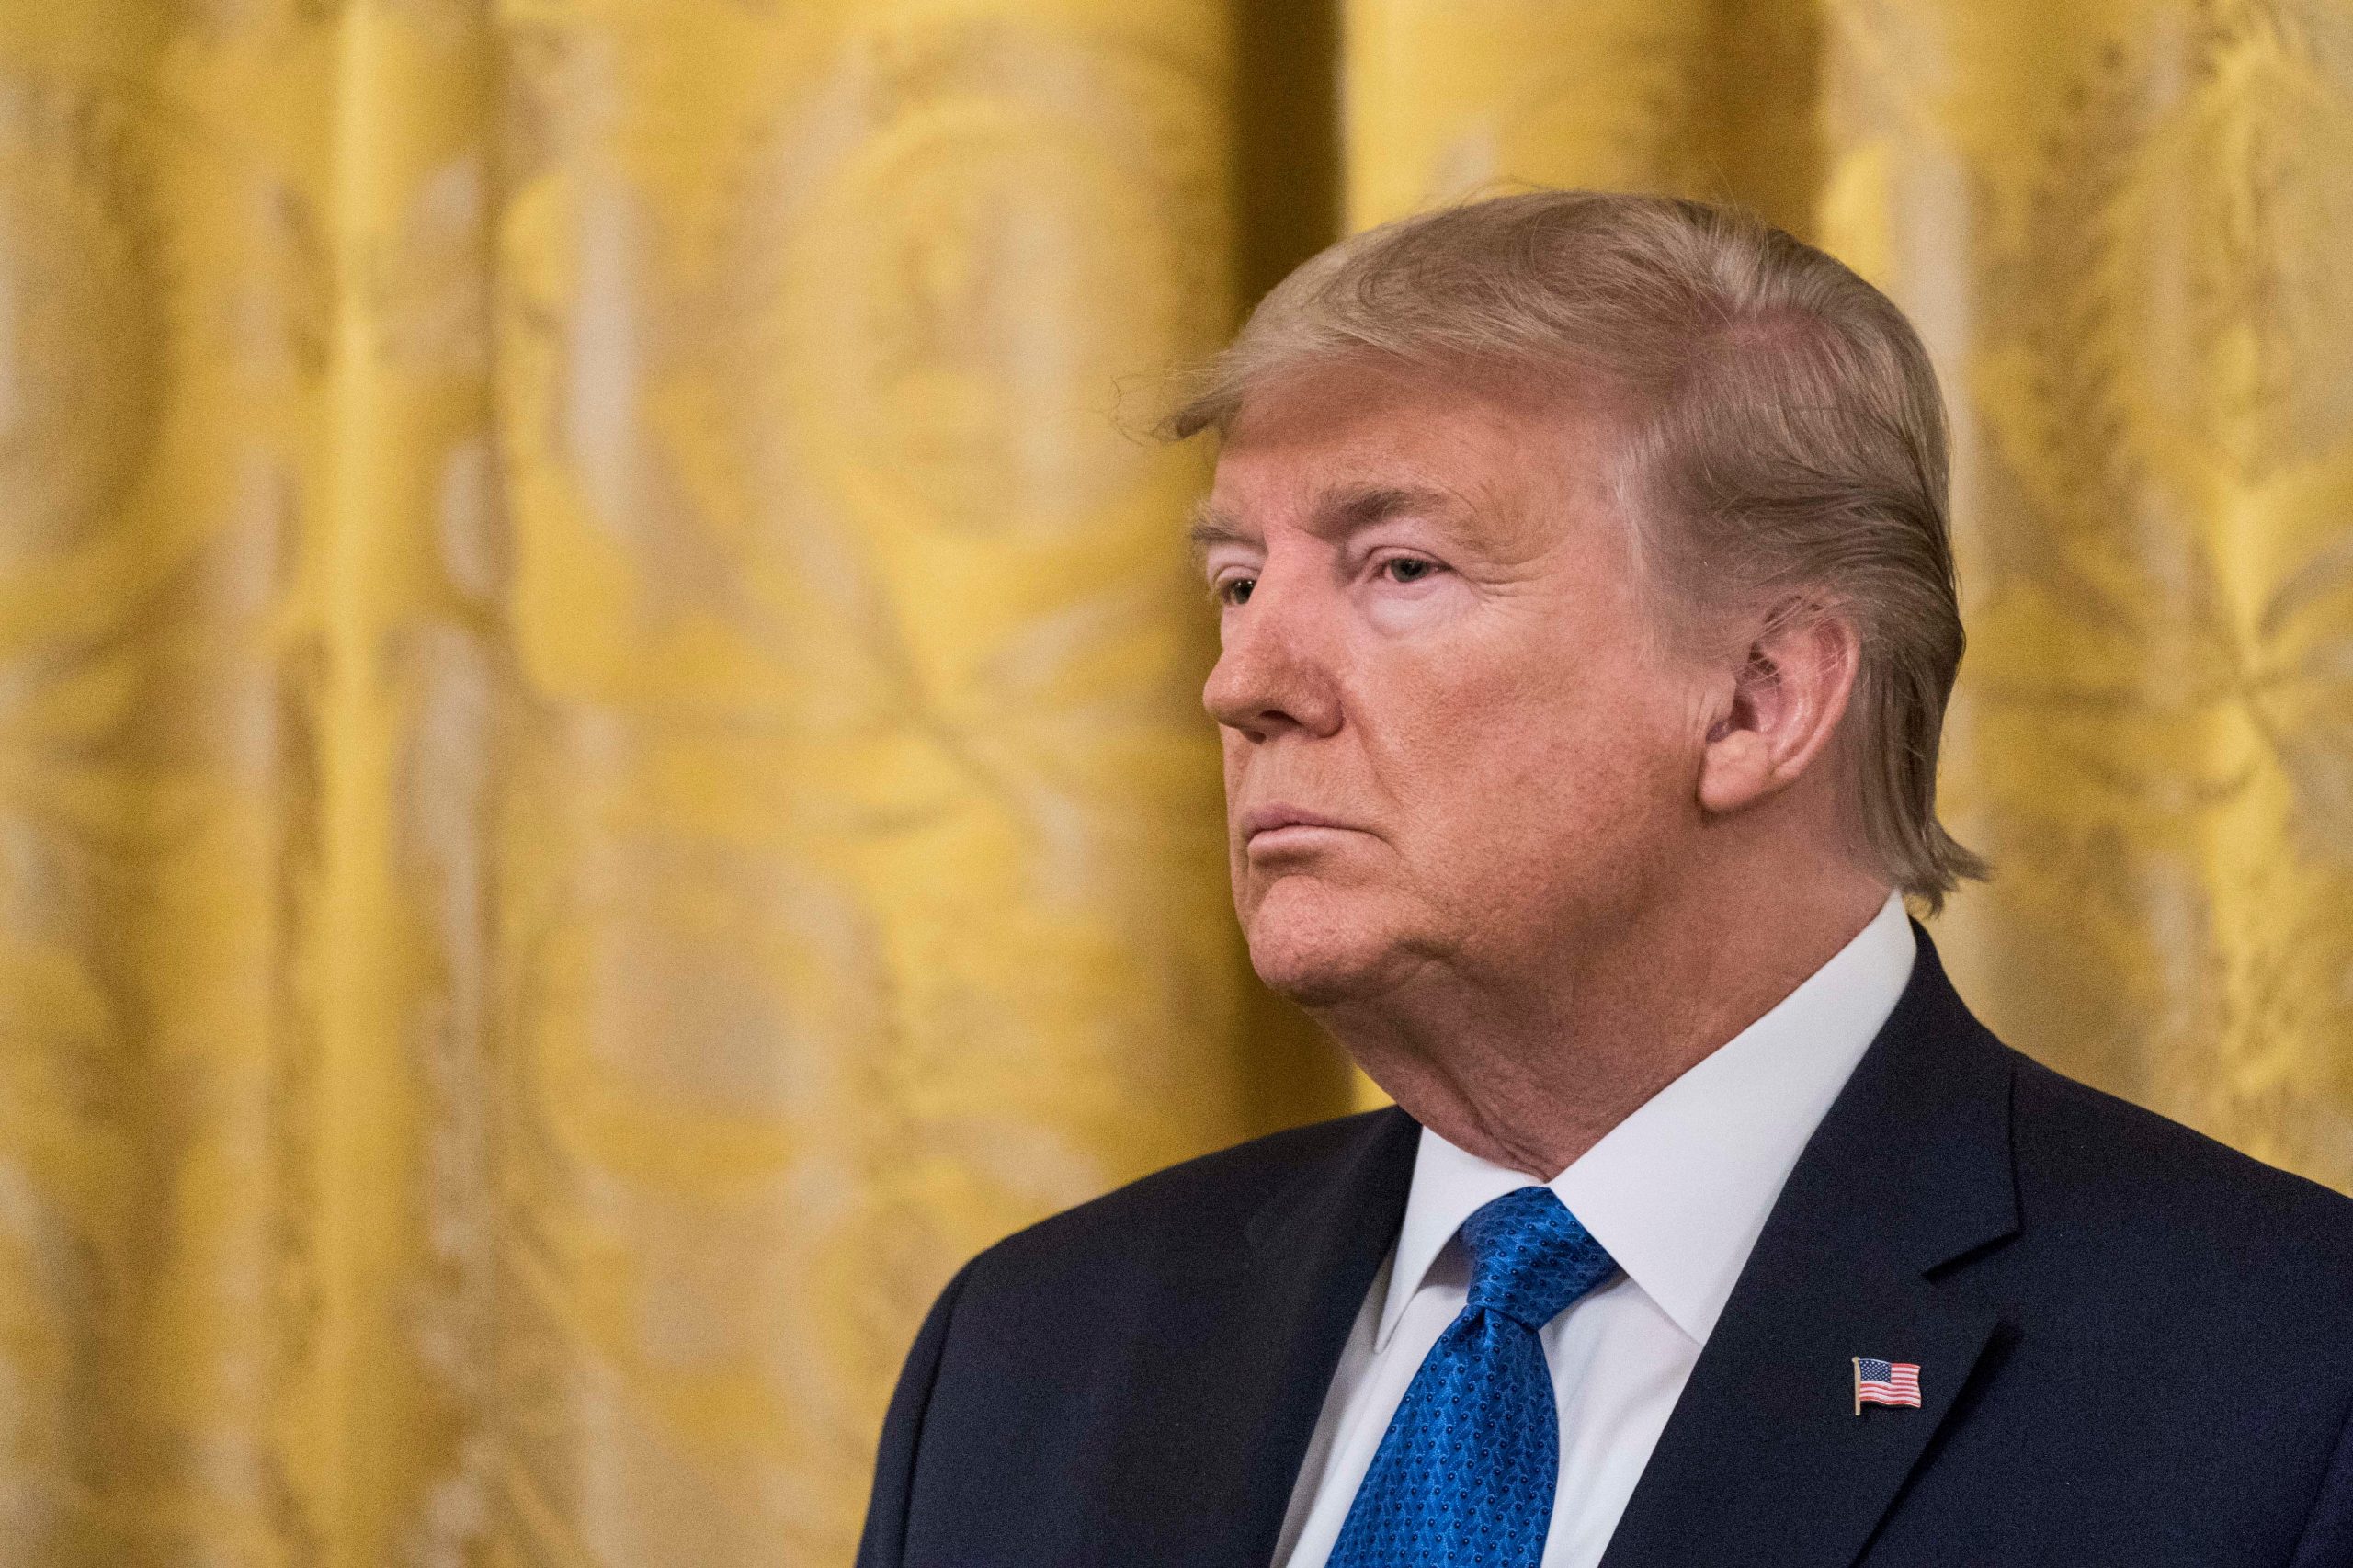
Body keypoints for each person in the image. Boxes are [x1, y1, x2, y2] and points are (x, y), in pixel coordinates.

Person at [853, 191, 2353, 1568]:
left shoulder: (2289, 1384)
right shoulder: (1031, 1352)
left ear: (1761, 699)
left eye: (1400, 569)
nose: (1243, 680)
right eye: (1239, 582)